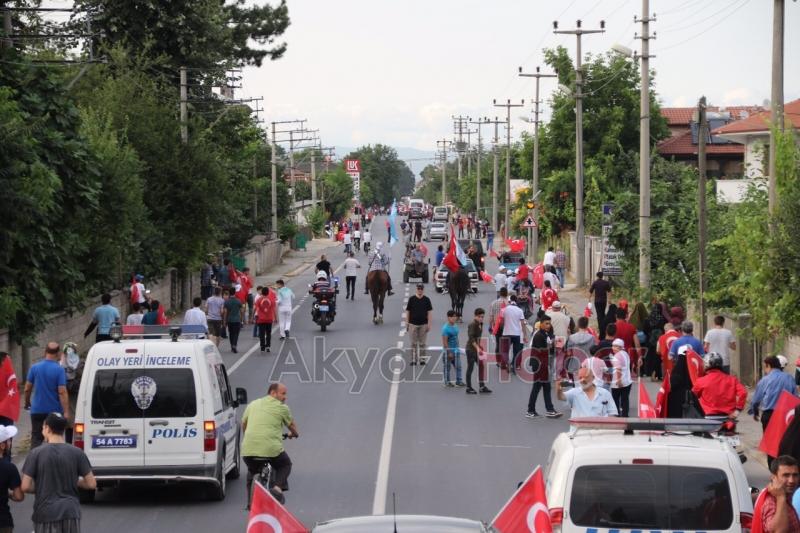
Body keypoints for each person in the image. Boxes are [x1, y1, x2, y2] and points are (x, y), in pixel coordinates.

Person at [21, 412, 96, 533]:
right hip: (70, 512)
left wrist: (43, 485)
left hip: (45, 513)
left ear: (48, 429)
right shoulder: (77, 452)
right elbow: (91, 484)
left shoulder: (36, 453)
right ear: (63, 430)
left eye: (43, 427)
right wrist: (74, 481)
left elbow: (25, 486)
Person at [242, 382, 299, 508]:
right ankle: (277, 490)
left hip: (248, 450)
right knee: (285, 464)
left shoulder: (253, 404)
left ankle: (249, 503)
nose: (285, 397)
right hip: (270, 449)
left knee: (251, 473)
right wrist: (293, 434)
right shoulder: (282, 408)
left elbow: (244, 424)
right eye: (283, 393)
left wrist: (249, 437)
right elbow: (293, 427)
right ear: (273, 393)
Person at [24, 342, 69, 449]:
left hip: (37, 410)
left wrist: (27, 402)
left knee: (36, 438)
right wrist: (66, 411)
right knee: (55, 438)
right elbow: (62, 391)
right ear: (58, 354)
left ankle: (34, 461)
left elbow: (27, 389)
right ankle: (54, 462)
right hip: (54, 411)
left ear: (45, 352)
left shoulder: (34, 368)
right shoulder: (59, 369)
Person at [750, 355, 798, 433]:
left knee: (769, 443)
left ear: (768, 365)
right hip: (785, 415)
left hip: (769, 416)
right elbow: (795, 398)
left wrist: (755, 413)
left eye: (765, 367)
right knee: (783, 442)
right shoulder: (789, 378)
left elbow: (756, 400)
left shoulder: (765, 380)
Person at [753, 455, 800, 532]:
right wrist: (781, 497)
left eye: (795, 475)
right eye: (786, 475)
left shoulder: (787, 495)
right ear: (773, 477)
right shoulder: (770, 501)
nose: (791, 480)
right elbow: (779, 531)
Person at [526, 315, 561, 419]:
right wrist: (552, 344)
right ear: (540, 324)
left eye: (549, 323)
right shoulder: (539, 336)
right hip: (539, 365)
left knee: (546, 387)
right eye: (546, 323)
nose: (548, 325)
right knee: (537, 388)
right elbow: (543, 351)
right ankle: (530, 410)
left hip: (543, 364)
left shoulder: (545, 334)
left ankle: (549, 410)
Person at [691, 352, 747, 417]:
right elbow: (743, 392)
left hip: (708, 418)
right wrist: (738, 410)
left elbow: (692, 396)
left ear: (707, 365)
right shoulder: (732, 380)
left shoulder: (701, 381)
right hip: (728, 418)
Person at [0, 425, 23, 530]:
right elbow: (19, 496)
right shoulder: (9, 468)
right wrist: (8, 494)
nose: (10, 442)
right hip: (3, 520)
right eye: (9, 440)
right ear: (2, 446)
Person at [465, 308, 491, 395]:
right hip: (470, 350)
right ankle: (468, 387)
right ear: (475, 316)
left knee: (481, 366)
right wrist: (477, 348)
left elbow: (477, 338)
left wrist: (480, 346)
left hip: (476, 349)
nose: (481, 318)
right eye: (479, 317)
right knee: (470, 368)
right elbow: (471, 338)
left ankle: (482, 386)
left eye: (482, 317)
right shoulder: (473, 324)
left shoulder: (480, 324)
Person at [405, 284, 432, 366]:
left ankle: (422, 360)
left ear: (423, 290)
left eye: (421, 288)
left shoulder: (427, 300)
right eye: (418, 288)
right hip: (413, 324)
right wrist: (407, 323)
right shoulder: (412, 299)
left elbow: (429, 312)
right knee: (413, 343)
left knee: (422, 343)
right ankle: (413, 360)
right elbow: (408, 311)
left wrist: (429, 324)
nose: (420, 290)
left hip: (423, 324)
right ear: (416, 289)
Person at [501, 296, 528, 374]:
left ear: (509, 301)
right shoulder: (520, 310)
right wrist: (525, 335)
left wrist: (504, 328)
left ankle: (507, 362)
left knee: (505, 351)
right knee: (516, 351)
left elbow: (502, 322)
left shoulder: (504, 310)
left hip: (506, 333)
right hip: (517, 334)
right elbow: (523, 324)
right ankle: (513, 365)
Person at [441, 310, 465, 387]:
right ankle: (447, 382)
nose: (455, 318)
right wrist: (449, 352)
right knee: (447, 367)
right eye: (453, 317)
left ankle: (459, 380)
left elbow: (456, 337)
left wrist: (458, 347)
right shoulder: (445, 328)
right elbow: (445, 342)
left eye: (455, 316)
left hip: (456, 350)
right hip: (448, 350)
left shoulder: (455, 326)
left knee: (458, 366)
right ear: (448, 317)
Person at [609, 339, 632, 417]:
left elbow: (618, 368)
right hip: (627, 381)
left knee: (615, 399)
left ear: (620, 347)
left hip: (618, 381)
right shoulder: (625, 354)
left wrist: (618, 380)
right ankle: (625, 414)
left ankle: (617, 414)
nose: (613, 348)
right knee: (625, 399)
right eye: (613, 346)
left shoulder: (617, 356)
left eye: (615, 346)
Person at [255, 287, 277, 353]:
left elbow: (256, 309)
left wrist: (251, 317)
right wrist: (276, 318)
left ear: (262, 292)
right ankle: (268, 346)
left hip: (261, 319)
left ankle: (262, 347)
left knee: (261, 334)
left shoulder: (258, 299)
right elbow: (274, 309)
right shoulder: (272, 300)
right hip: (269, 319)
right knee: (268, 333)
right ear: (268, 292)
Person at [223, 288, 244, 354]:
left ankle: (232, 346)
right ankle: (234, 345)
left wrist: (224, 321)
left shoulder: (227, 301)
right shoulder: (238, 301)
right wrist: (242, 319)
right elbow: (242, 311)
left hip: (229, 320)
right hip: (237, 320)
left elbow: (225, 312)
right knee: (236, 334)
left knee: (231, 333)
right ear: (235, 293)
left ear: (229, 293)